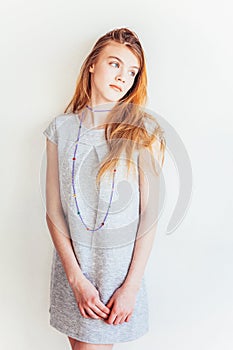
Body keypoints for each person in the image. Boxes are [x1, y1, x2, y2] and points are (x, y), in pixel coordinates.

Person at [43, 27, 166, 350]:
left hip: (118, 283)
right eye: (114, 64)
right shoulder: (61, 129)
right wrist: (75, 280)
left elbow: (149, 215)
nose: (123, 77)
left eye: (132, 71)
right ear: (92, 65)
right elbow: (54, 211)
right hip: (74, 277)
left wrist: (131, 287)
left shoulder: (143, 131)